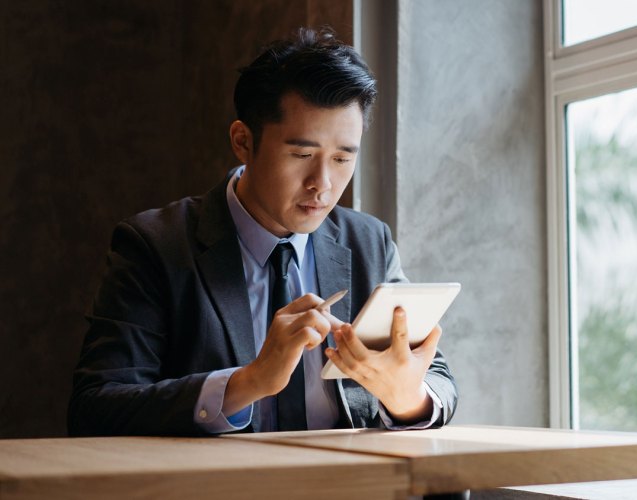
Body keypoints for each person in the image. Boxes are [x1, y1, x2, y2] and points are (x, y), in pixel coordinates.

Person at [68, 28, 457, 436]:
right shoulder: (155, 245)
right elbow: (96, 407)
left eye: (343, 158)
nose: (322, 183)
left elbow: (439, 381)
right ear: (242, 141)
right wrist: (248, 382)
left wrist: (406, 398)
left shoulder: (368, 242)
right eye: (302, 155)